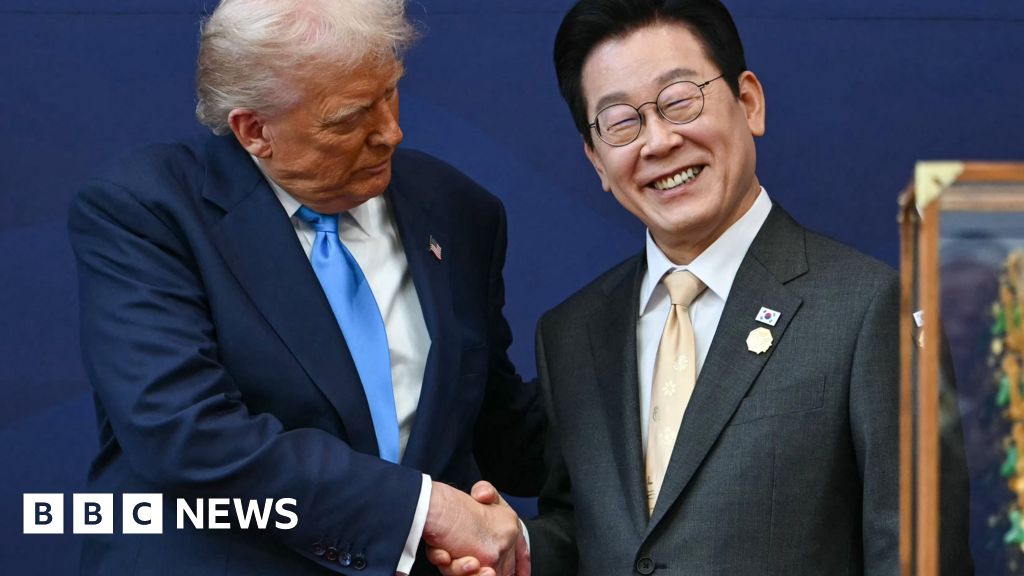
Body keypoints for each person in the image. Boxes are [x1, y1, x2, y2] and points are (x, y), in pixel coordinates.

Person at [430, 0, 973, 574]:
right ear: (596, 160)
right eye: (621, 122)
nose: (659, 141)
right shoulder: (573, 334)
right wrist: (519, 548)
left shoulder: (870, 309)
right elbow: (594, 534)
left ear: (749, 102)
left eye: (679, 100)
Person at [67, 0, 543, 574]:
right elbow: (185, 434)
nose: (391, 132)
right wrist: (423, 511)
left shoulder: (456, 207)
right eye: (348, 119)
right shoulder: (149, 210)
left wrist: (637, 377)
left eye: (390, 92)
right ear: (254, 131)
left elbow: (492, 424)